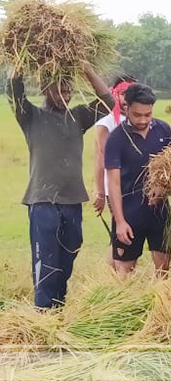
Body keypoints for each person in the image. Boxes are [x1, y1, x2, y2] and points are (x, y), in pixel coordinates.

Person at [6, 63, 113, 308]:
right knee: (46, 259)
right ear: (45, 89)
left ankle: (58, 306)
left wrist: (86, 69)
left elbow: (108, 101)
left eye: (68, 91)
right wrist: (20, 62)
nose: (65, 96)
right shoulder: (30, 116)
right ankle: (43, 312)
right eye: (59, 91)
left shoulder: (78, 117)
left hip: (72, 200)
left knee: (70, 251)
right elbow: (14, 89)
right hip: (42, 200)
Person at [105, 83, 171, 277]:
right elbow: (114, 183)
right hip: (129, 213)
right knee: (124, 274)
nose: (143, 120)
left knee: (163, 270)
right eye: (137, 115)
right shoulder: (116, 138)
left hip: (159, 213)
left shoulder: (163, 130)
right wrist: (119, 221)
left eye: (148, 114)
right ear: (126, 108)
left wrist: (164, 187)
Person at [93, 75, 136, 268]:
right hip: (116, 187)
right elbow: (100, 159)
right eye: (123, 94)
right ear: (114, 94)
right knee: (120, 233)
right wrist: (100, 192)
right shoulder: (106, 124)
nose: (126, 99)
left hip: (137, 186)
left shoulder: (140, 120)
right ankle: (116, 275)